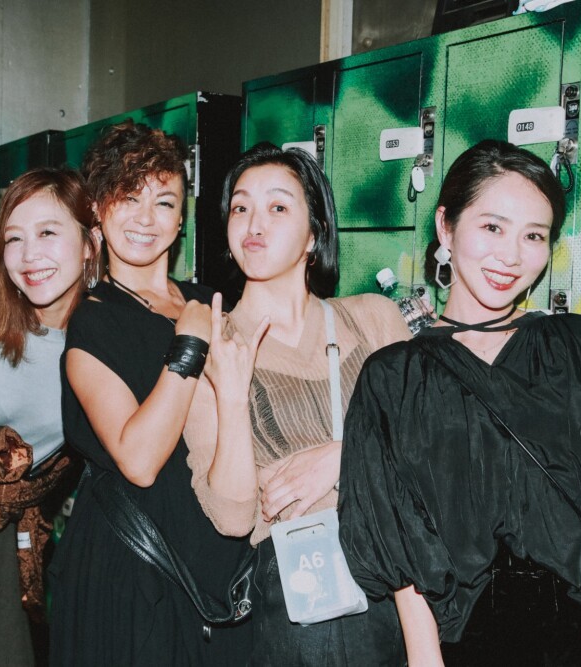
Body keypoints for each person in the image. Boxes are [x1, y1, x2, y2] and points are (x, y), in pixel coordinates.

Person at [338, 139, 581, 667]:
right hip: (460, 647)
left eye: (534, 236)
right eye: (492, 227)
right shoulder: (393, 378)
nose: (511, 256)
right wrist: (425, 661)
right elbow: (401, 549)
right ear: (445, 227)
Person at [183, 142, 411, 665]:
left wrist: (342, 456)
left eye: (278, 207)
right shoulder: (214, 343)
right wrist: (232, 394)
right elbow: (232, 515)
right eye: (240, 207)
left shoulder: (374, 319)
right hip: (300, 602)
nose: (254, 223)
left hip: (401, 580)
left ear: (314, 235)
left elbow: (432, 442)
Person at [49, 120, 253, 666]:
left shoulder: (210, 299)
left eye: (164, 203)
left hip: (217, 557)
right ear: (98, 209)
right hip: (136, 571)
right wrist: (189, 344)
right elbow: (139, 460)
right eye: (128, 197)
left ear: (182, 218)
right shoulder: (93, 320)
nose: (146, 218)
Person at [0, 167, 98, 666]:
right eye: (13, 238)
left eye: (48, 233)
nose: (29, 256)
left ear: (90, 243)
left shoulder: (107, 335)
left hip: (9, 530)